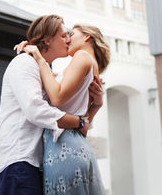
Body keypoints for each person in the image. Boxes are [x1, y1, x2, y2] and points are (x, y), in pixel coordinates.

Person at [0, 14, 103, 195]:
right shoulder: (24, 62)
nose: (67, 39)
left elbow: (68, 108)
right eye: (63, 35)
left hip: (38, 163)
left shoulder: (47, 73)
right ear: (47, 40)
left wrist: (95, 106)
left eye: (69, 35)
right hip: (18, 161)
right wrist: (78, 122)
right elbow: (35, 110)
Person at [19, 23, 110, 195]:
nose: (68, 38)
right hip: (79, 145)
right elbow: (82, 126)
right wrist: (96, 105)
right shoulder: (91, 66)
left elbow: (57, 96)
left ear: (86, 37)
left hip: (64, 147)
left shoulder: (82, 56)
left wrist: (38, 57)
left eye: (72, 34)